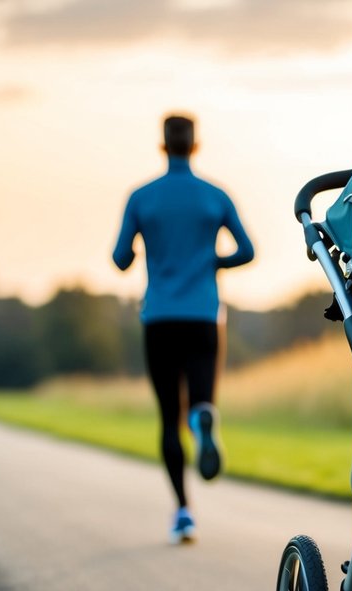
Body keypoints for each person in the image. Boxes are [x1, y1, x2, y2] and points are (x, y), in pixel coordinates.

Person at [113, 114, 255, 544]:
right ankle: (203, 418)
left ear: (163, 145)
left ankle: (182, 512)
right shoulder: (214, 195)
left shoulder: (141, 197)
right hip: (203, 316)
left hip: (159, 317)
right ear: (195, 146)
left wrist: (144, 246)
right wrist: (213, 261)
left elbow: (120, 259)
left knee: (166, 419)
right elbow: (247, 251)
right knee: (199, 400)